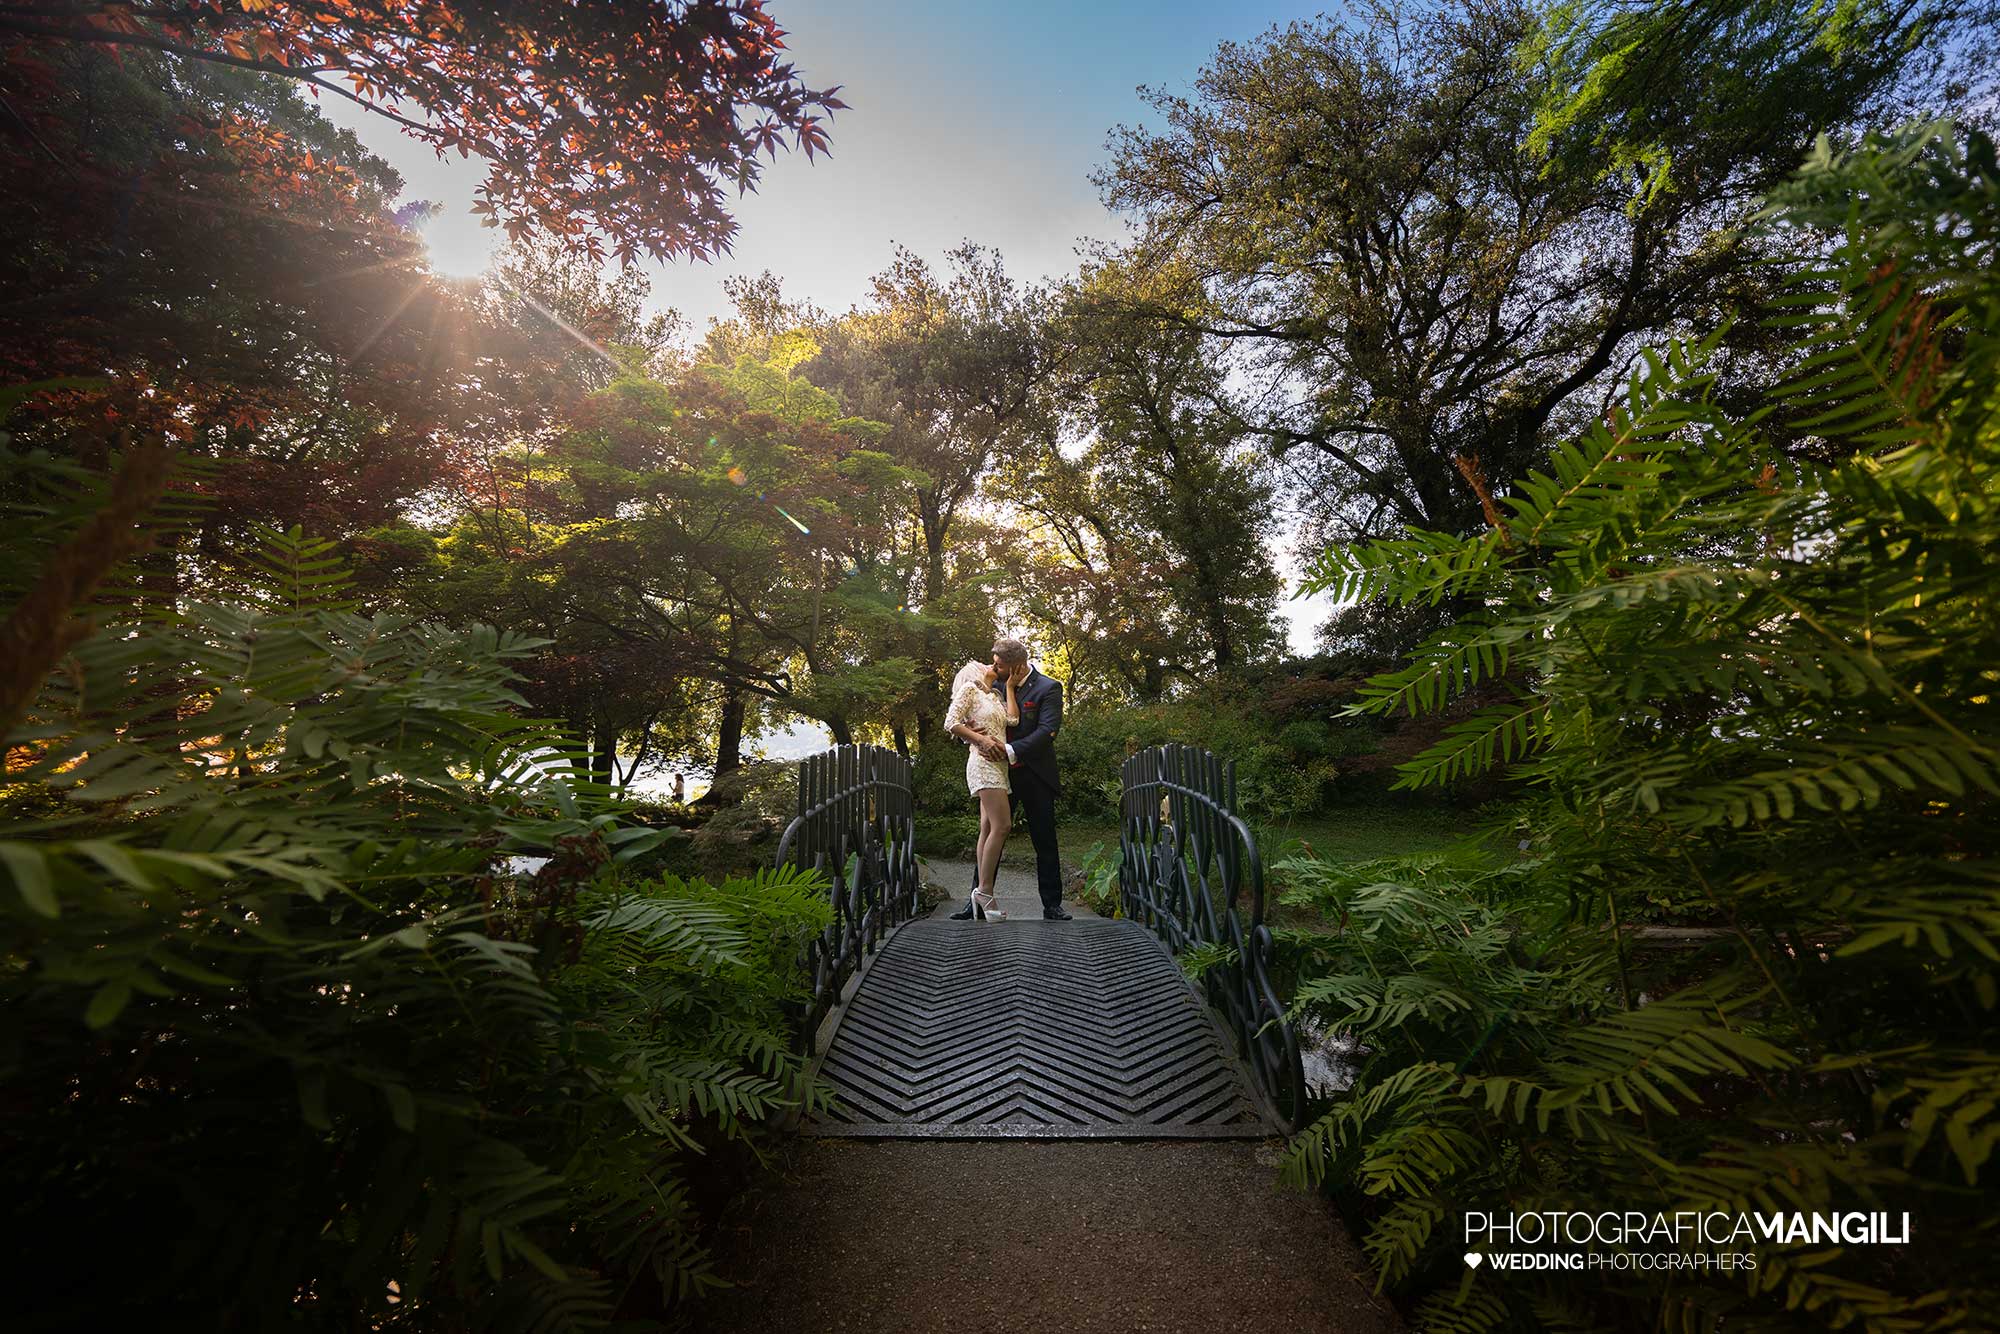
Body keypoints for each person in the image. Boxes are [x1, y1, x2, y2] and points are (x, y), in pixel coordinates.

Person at [950, 636, 1071, 922]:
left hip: (1035, 774)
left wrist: (1008, 750)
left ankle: (1052, 906)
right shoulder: (987, 684)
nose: (993, 666)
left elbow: (1047, 731)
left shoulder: (1048, 688)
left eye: (999, 664)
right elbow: (964, 720)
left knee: (1045, 840)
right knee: (991, 832)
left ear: (1016, 665)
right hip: (995, 773)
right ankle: (976, 902)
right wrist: (973, 735)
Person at [942, 657, 1019, 920]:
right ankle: (985, 892)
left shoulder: (994, 696)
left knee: (988, 828)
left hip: (999, 766)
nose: (990, 664)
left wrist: (1009, 687)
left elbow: (1013, 720)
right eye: (983, 663)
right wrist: (981, 740)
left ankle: (982, 892)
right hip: (981, 763)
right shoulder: (970, 690)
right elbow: (951, 722)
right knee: (1003, 825)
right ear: (973, 672)